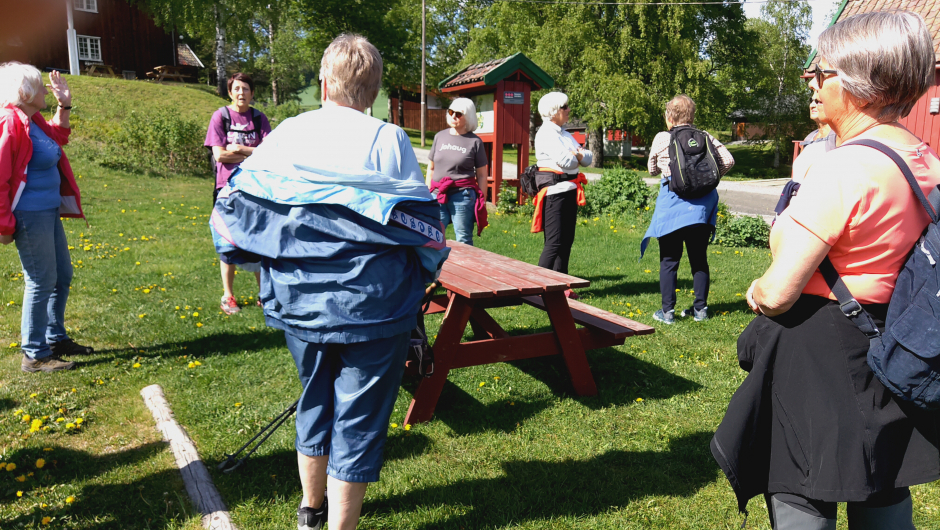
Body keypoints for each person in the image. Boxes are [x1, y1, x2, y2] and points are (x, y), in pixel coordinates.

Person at [712, 11, 940, 529]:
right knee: (881, 477)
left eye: (822, 74)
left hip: (821, 348)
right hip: (893, 340)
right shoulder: (923, 157)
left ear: (861, 84)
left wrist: (756, 287)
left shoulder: (843, 167)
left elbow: (778, 292)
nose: (813, 85)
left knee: (802, 484)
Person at [210, 34, 448, 530]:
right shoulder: (388, 139)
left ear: (323, 83)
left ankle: (310, 511)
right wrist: (420, 280)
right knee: (358, 418)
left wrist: (265, 266)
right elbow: (425, 231)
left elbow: (234, 215)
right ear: (375, 89)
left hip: (301, 304)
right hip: (375, 307)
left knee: (314, 399)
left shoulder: (288, 133)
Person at [0, 63, 93, 372]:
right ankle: (35, 354)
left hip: (48, 210)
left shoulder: (34, 119)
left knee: (61, 276)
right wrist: (4, 224)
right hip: (29, 214)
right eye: (40, 86)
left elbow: (59, 137)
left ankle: (56, 338)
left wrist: (64, 103)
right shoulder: (10, 122)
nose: (45, 90)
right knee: (40, 280)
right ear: (25, 92)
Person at [643, 95, 734, 324]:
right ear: (692, 116)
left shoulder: (663, 137)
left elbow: (652, 169)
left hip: (672, 205)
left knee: (669, 260)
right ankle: (700, 310)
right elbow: (728, 160)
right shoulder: (705, 137)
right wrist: (705, 178)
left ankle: (667, 313)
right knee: (699, 259)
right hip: (701, 209)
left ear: (669, 117)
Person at [204, 72, 271, 315]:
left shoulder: (258, 118)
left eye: (246, 89)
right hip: (227, 189)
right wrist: (252, 152)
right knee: (227, 241)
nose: (241, 93)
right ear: (230, 92)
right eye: (237, 89)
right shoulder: (220, 117)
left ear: (253, 93)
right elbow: (219, 155)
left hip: (255, 186)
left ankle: (264, 295)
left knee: (258, 238)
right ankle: (228, 295)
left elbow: (269, 153)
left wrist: (240, 148)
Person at [533, 91, 592, 298]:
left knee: (567, 240)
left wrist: (576, 155)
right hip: (554, 193)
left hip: (570, 192)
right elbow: (567, 162)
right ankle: (539, 287)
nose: (568, 110)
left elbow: (587, 158)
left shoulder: (565, 135)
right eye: (564, 107)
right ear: (553, 112)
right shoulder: (546, 134)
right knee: (554, 242)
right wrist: (577, 155)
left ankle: (562, 286)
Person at [426, 97, 488, 245]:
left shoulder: (475, 142)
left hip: (463, 195)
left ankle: (465, 267)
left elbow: (482, 175)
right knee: (432, 235)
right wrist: (427, 193)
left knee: (463, 238)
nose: (454, 116)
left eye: (459, 114)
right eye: (451, 112)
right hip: (437, 193)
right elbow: (431, 168)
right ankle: (435, 267)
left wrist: (482, 200)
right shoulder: (439, 136)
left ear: (469, 116)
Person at [791, 96, 836, 182]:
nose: (812, 105)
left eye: (818, 101)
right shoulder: (809, 138)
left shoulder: (838, 137)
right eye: (811, 101)